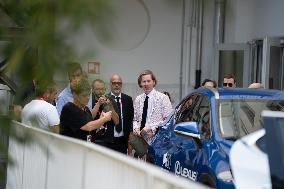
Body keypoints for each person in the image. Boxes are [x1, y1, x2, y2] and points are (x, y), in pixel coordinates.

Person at [132, 70, 173, 156]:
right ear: (140, 84)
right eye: (144, 81)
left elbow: (169, 120)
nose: (146, 84)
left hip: (157, 142)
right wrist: (135, 128)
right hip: (140, 141)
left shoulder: (163, 98)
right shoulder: (138, 99)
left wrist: (150, 127)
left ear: (153, 82)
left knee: (152, 167)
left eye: (148, 81)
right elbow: (135, 119)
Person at [60, 78, 112, 142]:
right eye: (84, 95)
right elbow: (88, 126)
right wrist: (105, 119)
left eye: (89, 95)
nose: (87, 98)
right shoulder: (69, 108)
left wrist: (103, 115)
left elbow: (94, 128)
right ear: (75, 95)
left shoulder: (85, 109)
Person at [107, 74, 134, 154]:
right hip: (108, 140)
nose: (116, 85)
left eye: (119, 83)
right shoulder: (105, 98)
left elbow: (131, 119)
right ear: (110, 84)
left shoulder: (128, 99)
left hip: (123, 140)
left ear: (121, 85)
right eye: (114, 83)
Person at [91, 79, 120, 148]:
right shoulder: (89, 100)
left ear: (105, 89)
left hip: (107, 140)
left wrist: (110, 106)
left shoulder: (111, 99)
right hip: (92, 138)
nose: (100, 92)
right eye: (97, 89)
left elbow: (117, 121)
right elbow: (89, 118)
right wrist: (98, 104)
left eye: (102, 89)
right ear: (92, 89)